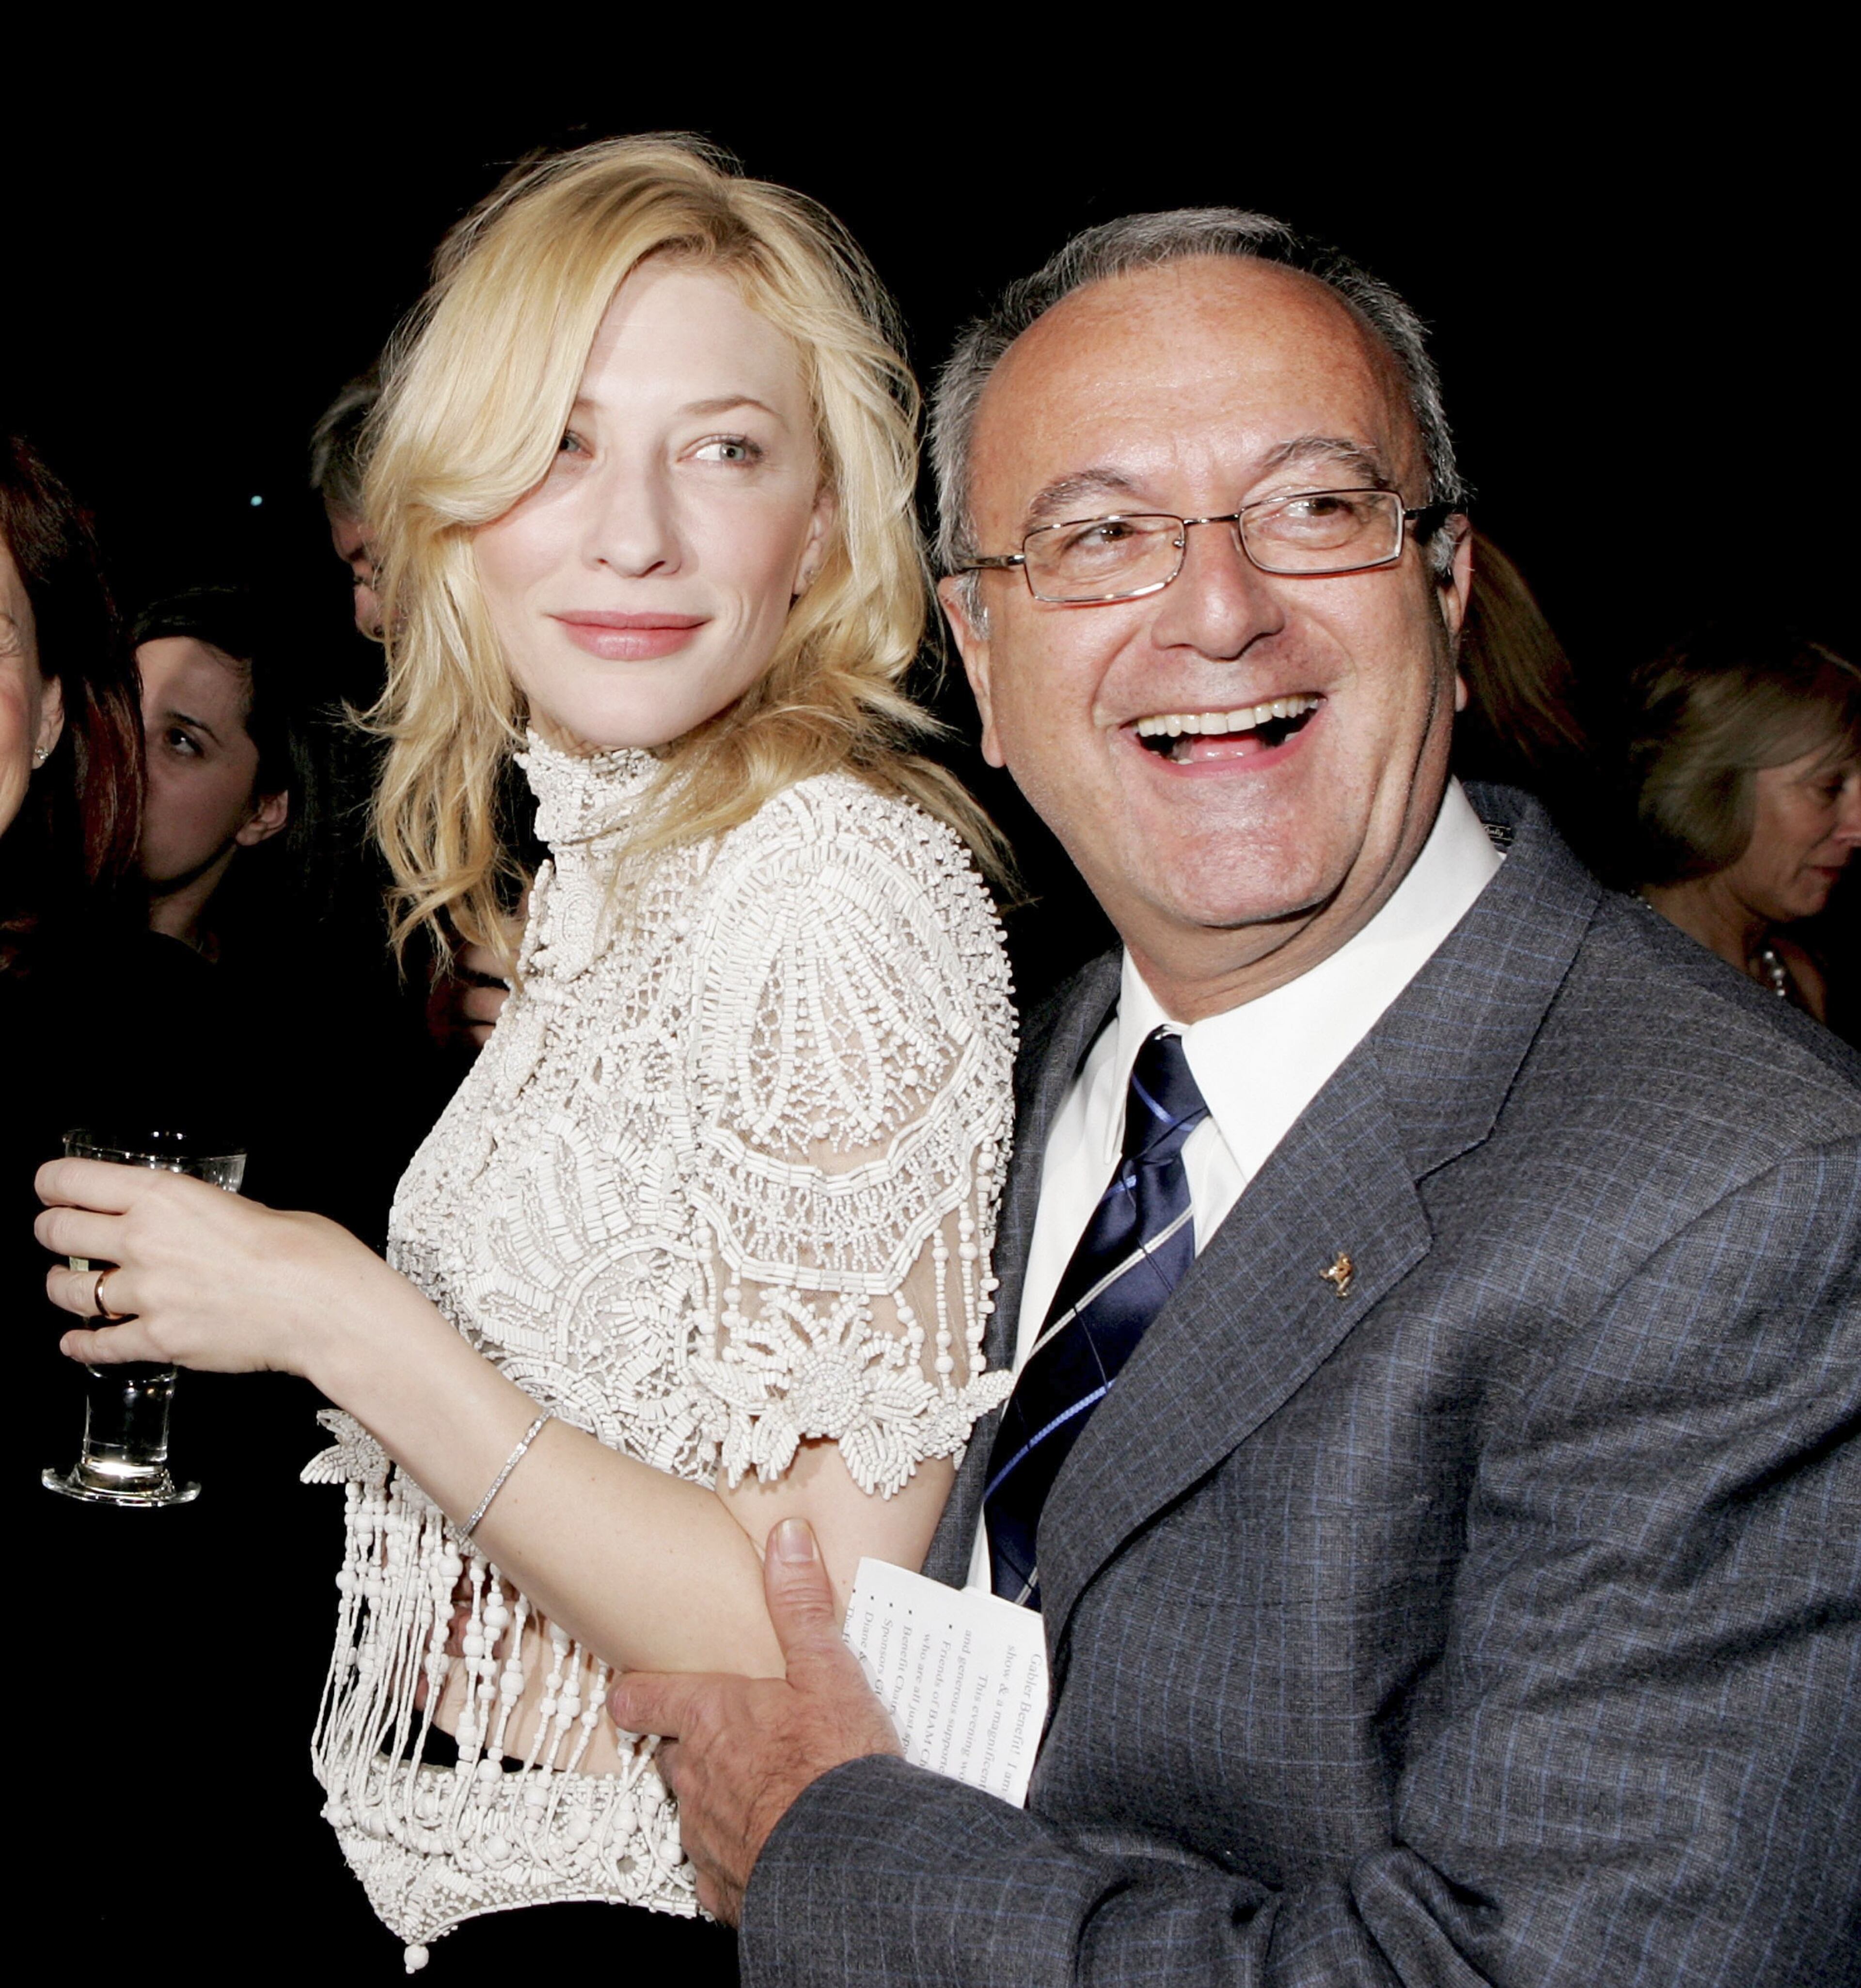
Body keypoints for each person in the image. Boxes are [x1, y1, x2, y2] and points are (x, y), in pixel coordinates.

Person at [591, 212, 1861, 1987]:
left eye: (1314, 509)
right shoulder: (988, 1081)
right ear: (980, 651)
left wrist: (830, 1844)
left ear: (1445, 580)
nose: (1218, 608)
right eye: (1099, 536)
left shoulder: (1749, 1189)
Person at [37, 137, 1017, 1975]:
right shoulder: (621, 859)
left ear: (820, 520)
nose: (634, 527)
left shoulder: (832, 879)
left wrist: (339, 1314)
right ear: (455, 507)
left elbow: (821, 1642)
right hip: (450, 1863)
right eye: (560, 440)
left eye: (722, 446)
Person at [1625, 625, 1860, 1027]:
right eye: (1830, 787)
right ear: (1713, 788)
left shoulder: (1799, 975)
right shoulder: (1618, 990)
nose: (1858, 828)